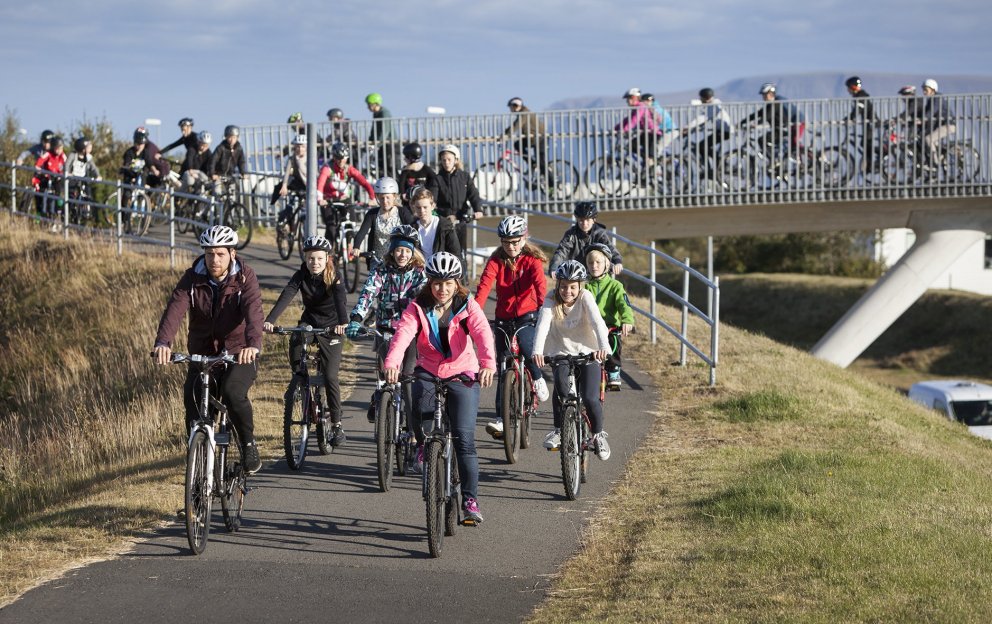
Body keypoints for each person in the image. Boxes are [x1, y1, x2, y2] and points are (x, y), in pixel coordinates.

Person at [383, 252, 496, 524]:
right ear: (429, 283)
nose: (442, 289)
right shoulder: (417, 306)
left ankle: (470, 500)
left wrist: (488, 364)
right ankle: (423, 445)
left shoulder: (467, 305)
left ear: (457, 283)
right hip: (429, 369)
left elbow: (482, 334)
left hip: (462, 372)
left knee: (464, 440)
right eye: (436, 283)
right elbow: (403, 335)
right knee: (419, 403)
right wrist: (392, 362)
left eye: (448, 283)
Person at [153, 225, 264, 474]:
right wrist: (163, 343)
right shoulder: (193, 278)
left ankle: (248, 445)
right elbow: (174, 310)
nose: (214, 259)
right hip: (202, 353)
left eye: (220, 254)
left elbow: (253, 312)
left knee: (233, 392)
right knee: (192, 404)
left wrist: (252, 345)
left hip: (238, 352)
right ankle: (199, 471)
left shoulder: (245, 277)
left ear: (232, 254)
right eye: (209, 253)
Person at [264, 235, 350, 447]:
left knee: (330, 375)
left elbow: (340, 299)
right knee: (296, 337)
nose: (315, 263)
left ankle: (337, 424)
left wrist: (343, 322)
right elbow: (287, 294)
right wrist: (270, 320)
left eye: (319, 258)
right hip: (310, 322)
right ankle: (299, 380)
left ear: (327, 258)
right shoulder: (301, 274)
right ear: (305, 258)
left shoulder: (334, 276)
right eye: (311, 258)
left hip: (332, 327)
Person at [345, 226, 427, 436]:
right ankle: (381, 399)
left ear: (413, 252)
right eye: (399, 250)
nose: (402, 255)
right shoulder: (381, 270)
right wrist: (355, 318)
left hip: (410, 334)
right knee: (384, 377)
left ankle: (414, 432)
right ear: (392, 250)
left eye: (407, 251)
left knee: (408, 381)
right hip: (385, 332)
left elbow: (427, 299)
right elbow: (368, 293)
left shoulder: (419, 274)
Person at [475, 215, 549, 439]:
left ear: (524, 238)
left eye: (516, 241)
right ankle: (501, 417)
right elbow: (484, 287)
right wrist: (474, 315)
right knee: (503, 364)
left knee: (528, 345)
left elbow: (541, 287)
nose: (511, 246)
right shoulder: (496, 260)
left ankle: (536, 378)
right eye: (506, 242)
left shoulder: (532, 261)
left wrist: (547, 314)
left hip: (528, 314)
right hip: (503, 317)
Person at [532, 260, 612, 461]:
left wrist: (603, 347)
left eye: (573, 287)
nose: (568, 291)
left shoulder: (586, 297)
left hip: (589, 352)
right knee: (561, 392)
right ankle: (559, 430)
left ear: (580, 287)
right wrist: (537, 352)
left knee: (590, 397)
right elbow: (542, 326)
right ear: (558, 284)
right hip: (561, 352)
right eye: (564, 286)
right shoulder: (551, 299)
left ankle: (598, 435)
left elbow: (597, 323)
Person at [583, 243, 634, 391]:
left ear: (607, 264)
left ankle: (613, 370)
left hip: (609, 326)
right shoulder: (585, 286)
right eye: (590, 262)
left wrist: (627, 320)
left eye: (598, 262)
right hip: (590, 326)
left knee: (613, 341)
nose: (594, 266)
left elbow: (624, 304)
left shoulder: (615, 286)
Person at [353, 176, 415, 267]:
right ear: (377, 197)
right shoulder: (372, 214)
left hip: (398, 260)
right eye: (381, 198)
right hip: (377, 260)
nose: (385, 201)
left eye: (388, 197)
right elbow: (361, 233)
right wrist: (356, 247)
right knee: (372, 281)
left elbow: (413, 232)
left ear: (394, 196)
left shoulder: (403, 213)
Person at [549, 201, 623, 276]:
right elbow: (561, 251)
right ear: (577, 220)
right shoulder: (571, 234)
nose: (584, 223)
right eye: (581, 220)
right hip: (577, 274)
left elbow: (610, 249)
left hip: (597, 274)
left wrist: (617, 262)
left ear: (594, 220)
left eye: (588, 220)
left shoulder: (600, 234)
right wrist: (554, 267)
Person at [316, 142, 377, 233]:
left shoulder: (349, 169)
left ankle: (349, 246)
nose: (341, 161)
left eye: (344, 158)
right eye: (338, 158)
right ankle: (332, 245)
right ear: (334, 158)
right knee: (331, 228)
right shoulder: (327, 168)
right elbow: (320, 184)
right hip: (328, 200)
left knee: (351, 225)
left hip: (344, 199)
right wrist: (320, 199)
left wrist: (372, 197)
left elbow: (364, 183)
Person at [435, 144, 482, 259]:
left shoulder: (464, 177)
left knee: (461, 253)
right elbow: (432, 199)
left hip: (461, 220)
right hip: (444, 222)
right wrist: (446, 216)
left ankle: (463, 276)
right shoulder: (437, 178)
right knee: (444, 254)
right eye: (443, 160)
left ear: (456, 160)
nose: (446, 162)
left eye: (449, 159)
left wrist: (478, 210)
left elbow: (473, 194)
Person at [739, 83, 805, 157]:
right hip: (780, 129)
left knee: (762, 140)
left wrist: (757, 124)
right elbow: (758, 114)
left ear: (770, 94)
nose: (763, 97)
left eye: (764, 95)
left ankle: (773, 160)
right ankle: (774, 158)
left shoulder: (776, 104)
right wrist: (742, 122)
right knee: (767, 141)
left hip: (784, 129)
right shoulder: (771, 104)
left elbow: (767, 115)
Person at [683, 88, 733, 175]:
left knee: (702, 146)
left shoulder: (714, 105)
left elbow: (703, 118)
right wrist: (692, 128)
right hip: (721, 131)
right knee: (703, 146)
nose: (700, 100)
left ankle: (713, 167)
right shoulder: (712, 105)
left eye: (701, 98)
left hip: (724, 131)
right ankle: (715, 165)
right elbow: (705, 119)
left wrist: (688, 127)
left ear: (705, 97)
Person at [504, 97, 552, 188]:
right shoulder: (522, 113)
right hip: (533, 138)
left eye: (510, 107)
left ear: (515, 106)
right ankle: (532, 163)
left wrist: (506, 135)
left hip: (539, 138)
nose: (510, 110)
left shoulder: (524, 113)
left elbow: (516, 126)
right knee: (517, 144)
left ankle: (552, 183)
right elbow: (514, 125)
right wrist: (505, 133)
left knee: (540, 162)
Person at [407, 185, 460, 260]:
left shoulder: (445, 226)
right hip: (420, 269)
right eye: (418, 207)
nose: (422, 211)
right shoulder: (411, 228)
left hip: (441, 268)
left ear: (432, 206)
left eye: (425, 207)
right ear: (414, 207)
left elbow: (455, 253)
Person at [121, 127, 170, 206]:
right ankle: (124, 215)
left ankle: (144, 210)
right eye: (138, 144)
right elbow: (127, 164)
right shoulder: (129, 153)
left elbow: (149, 163)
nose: (140, 146)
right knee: (127, 195)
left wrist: (155, 171)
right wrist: (131, 173)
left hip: (141, 177)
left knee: (147, 188)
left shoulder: (145, 152)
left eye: (142, 144)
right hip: (131, 177)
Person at [615, 87, 662, 166]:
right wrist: (617, 128)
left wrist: (624, 130)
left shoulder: (641, 107)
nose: (627, 101)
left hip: (653, 133)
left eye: (628, 99)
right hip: (647, 133)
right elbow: (628, 120)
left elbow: (634, 120)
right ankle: (647, 166)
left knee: (648, 155)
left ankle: (652, 168)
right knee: (632, 145)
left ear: (633, 98)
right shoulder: (636, 108)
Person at [917, 78, 956, 164]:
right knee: (929, 139)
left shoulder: (937, 98)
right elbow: (926, 112)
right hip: (941, 125)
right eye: (923, 90)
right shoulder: (931, 99)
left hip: (948, 125)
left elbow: (932, 111)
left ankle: (935, 162)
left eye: (926, 90)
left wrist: (922, 119)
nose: (924, 92)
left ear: (933, 89)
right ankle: (942, 155)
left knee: (928, 139)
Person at [845, 76, 877, 172]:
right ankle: (869, 162)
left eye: (848, 88)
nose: (847, 91)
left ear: (853, 87)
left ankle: (870, 164)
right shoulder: (859, 96)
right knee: (865, 143)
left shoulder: (860, 96)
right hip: (868, 123)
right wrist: (849, 118)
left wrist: (851, 118)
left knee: (866, 143)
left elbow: (858, 109)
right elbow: (856, 110)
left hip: (870, 123)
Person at [272, 133, 308, 211]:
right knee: (280, 187)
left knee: (306, 206)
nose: (300, 148)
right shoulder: (292, 158)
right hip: (297, 183)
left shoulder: (310, 158)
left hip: (308, 185)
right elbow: (287, 172)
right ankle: (275, 206)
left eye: (302, 146)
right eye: (298, 146)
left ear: (306, 147)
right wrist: (284, 185)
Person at [32, 135, 67, 215]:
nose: (59, 150)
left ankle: (59, 209)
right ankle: (42, 211)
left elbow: (66, 165)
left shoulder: (63, 156)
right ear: (54, 148)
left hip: (57, 178)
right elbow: (40, 161)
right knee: (42, 191)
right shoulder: (48, 154)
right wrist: (38, 168)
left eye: (61, 148)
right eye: (57, 148)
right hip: (47, 177)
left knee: (59, 192)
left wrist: (62, 174)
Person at [366, 93, 398, 177]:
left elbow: (385, 131)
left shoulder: (384, 113)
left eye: (369, 105)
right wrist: (370, 140)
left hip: (389, 144)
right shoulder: (376, 114)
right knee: (382, 167)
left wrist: (377, 144)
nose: (368, 107)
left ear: (375, 104)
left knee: (390, 168)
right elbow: (374, 129)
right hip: (382, 144)